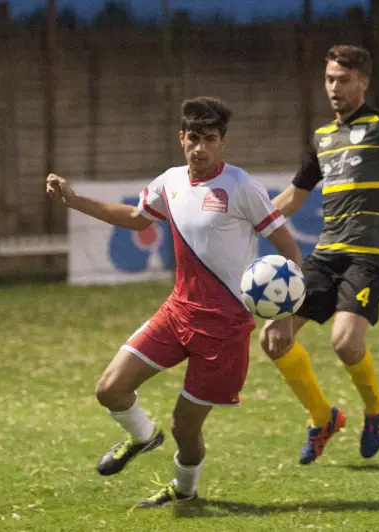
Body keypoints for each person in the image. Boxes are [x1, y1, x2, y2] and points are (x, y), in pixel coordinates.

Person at [46, 97, 302, 507]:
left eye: (211, 139)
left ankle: (184, 490)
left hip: (224, 330)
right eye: (194, 138)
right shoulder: (170, 182)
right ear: (181, 139)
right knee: (109, 390)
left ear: (223, 142)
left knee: (186, 428)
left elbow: (290, 250)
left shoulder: (242, 187)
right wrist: (74, 200)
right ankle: (143, 437)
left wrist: (285, 316)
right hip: (177, 313)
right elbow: (135, 219)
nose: (201, 147)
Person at [260, 44, 379, 465]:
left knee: (344, 341)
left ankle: (374, 407)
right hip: (326, 256)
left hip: (369, 255)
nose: (334, 87)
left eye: (344, 80)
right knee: (273, 337)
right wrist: (251, 215)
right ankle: (323, 417)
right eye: (330, 79)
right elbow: (295, 196)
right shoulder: (322, 138)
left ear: (364, 82)